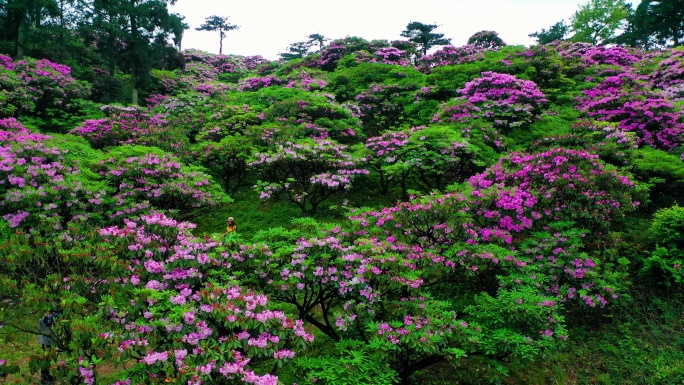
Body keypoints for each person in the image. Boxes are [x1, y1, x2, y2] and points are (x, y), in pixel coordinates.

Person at [38, 310, 58, 385]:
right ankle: (44, 377)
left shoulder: (52, 315)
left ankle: (47, 375)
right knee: (46, 358)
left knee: (49, 358)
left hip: (50, 340)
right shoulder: (43, 317)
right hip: (45, 340)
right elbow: (47, 323)